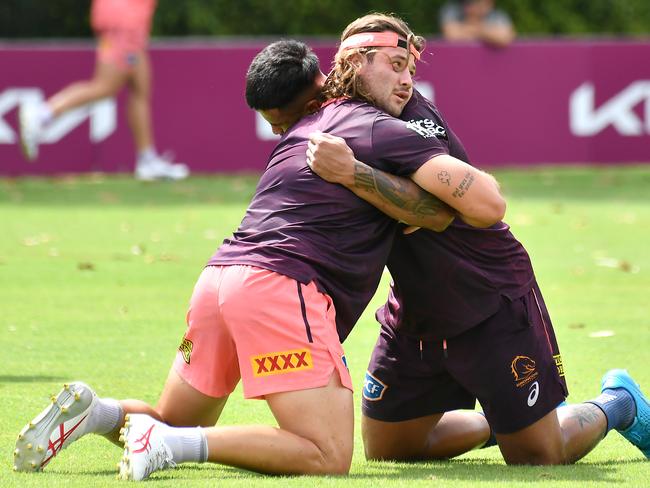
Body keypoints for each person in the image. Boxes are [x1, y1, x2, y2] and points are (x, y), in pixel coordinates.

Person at [14, 16, 505, 480]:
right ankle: (167, 445)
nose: (406, 82)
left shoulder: (294, 137)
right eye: (397, 68)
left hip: (220, 279)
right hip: (281, 285)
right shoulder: (369, 125)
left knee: (174, 416)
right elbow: (476, 206)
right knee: (326, 453)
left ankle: (100, 413)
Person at [307, 42, 650, 467]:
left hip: (486, 297)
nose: (407, 80)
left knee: (540, 455)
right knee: (391, 450)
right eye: (396, 67)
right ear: (355, 63)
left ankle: (617, 403)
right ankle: (502, 420)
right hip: (417, 310)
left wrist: (357, 175)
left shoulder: (412, 117)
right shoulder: (342, 116)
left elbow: (480, 208)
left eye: (410, 69)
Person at [18, 0, 188, 181]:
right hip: (124, 24)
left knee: (140, 87)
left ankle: (147, 159)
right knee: (105, 86)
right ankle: (41, 114)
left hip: (127, 25)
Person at [439, 0, 516, 48]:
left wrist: (472, 29)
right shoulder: (452, 9)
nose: (470, 6)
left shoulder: (497, 15)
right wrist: (488, 34)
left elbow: (504, 38)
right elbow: (451, 36)